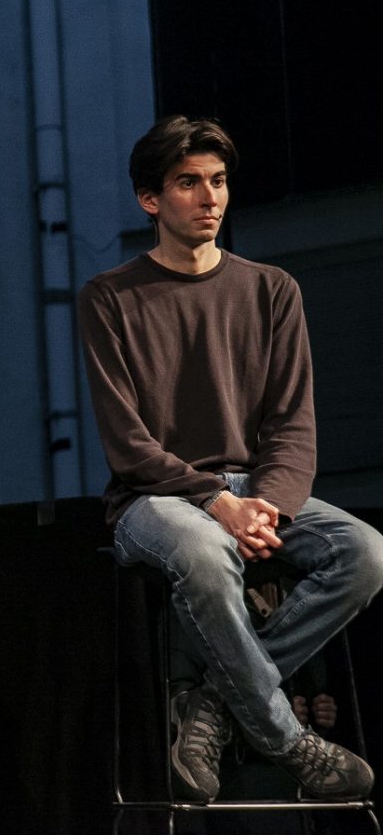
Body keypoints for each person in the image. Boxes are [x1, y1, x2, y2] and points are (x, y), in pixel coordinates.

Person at [78, 115, 382, 803]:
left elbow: (293, 427)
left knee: (366, 553)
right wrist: (220, 501)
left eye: (218, 182)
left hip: (256, 492)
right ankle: (286, 739)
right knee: (204, 549)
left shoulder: (272, 289)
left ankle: (214, 703)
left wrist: (264, 504)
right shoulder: (110, 297)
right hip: (152, 499)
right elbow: (129, 446)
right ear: (149, 199)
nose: (210, 197)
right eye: (189, 183)